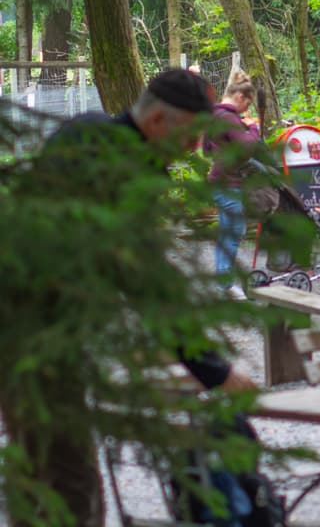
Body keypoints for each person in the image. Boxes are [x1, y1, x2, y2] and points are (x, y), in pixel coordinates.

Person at [1, 69, 256, 526]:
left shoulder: (93, 135)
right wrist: (212, 369)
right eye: (190, 136)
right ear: (159, 120)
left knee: (42, 468)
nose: (193, 150)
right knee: (68, 476)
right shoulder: (117, 161)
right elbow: (145, 282)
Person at [204, 70, 261, 298]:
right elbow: (247, 148)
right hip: (228, 183)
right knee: (235, 231)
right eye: (247, 105)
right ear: (241, 98)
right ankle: (226, 285)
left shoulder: (214, 115)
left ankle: (222, 284)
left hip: (219, 180)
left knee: (227, 232)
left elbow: (206, 148)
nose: (247, 111)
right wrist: (253, 128)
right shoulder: (228, 117)